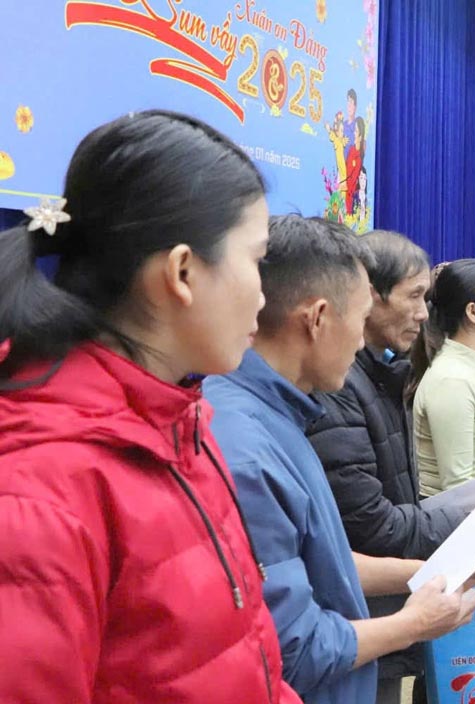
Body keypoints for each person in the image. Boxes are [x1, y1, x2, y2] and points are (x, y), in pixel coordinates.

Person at [0, 111, 301, 703]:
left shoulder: (181, 421)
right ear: (182, 272)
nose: (264, 296)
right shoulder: (37, 497)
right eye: (257, 260)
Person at [204, 217, 475, 704]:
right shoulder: (246, 444)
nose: (361, 342)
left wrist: (432, 573)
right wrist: (413, 624)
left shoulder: (279, 414)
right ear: (317, 319)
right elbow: (290, 648)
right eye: (359, 320)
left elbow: (318, 561)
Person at [305, 230, 473, 702]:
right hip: (353, 621)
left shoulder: (382, 373)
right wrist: (462, 523)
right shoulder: (338, 385)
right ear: (367, 295)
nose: (423, 313)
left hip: (377, 608)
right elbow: (367, 523)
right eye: (413, 296)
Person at [412, 259, 475, 497]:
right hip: (471, 514)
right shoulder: (452, 378)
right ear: (473, 311)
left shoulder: (473, 361)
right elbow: (458, 487)